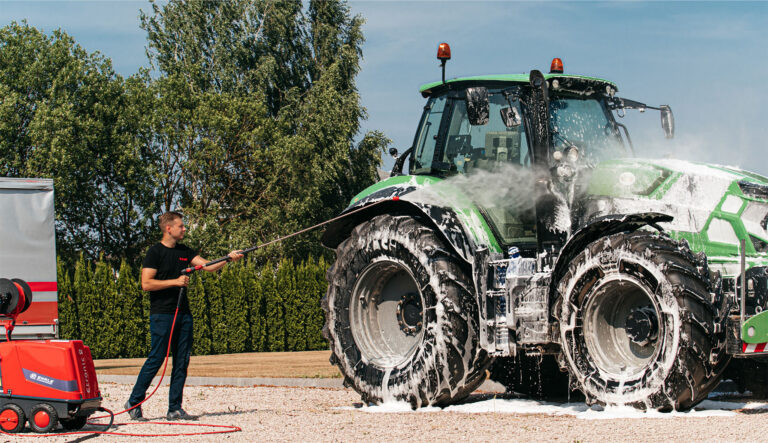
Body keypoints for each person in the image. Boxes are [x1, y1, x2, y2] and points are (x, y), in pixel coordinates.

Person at [125, 211, 243, 421]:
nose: (185, 229)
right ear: (169, 228)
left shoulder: (184, 251)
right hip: (162, 315)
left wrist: (229, 258)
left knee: (182, 361)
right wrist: (175, 281)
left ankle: (174, 408)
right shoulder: (155, 252)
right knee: (156, 359)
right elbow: (146, 284)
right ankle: (134, 402)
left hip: (183, 315)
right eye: (181, 226)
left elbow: (208, 267)